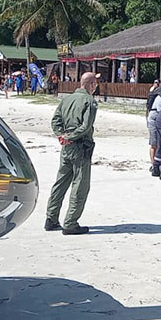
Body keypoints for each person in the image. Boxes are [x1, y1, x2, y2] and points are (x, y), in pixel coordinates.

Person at [45, 72, 100, 235]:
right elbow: (85, 126)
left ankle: (51, 218)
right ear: (90, 84)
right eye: (95, 83)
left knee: (60, 182)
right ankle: (70, 222)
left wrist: (61, 136)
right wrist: (70, 137)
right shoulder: (90, 101)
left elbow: (55, 120)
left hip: (66, 147)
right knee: (80, 185)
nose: (96, 86)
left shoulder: (66, 99)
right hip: (80, 146)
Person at [146, 84, 161, 175]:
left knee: (158, 143)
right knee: (154, 143)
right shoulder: (160, 99)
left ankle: (157, 163)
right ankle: (153, 164)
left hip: (156, 120)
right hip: (153, 121)